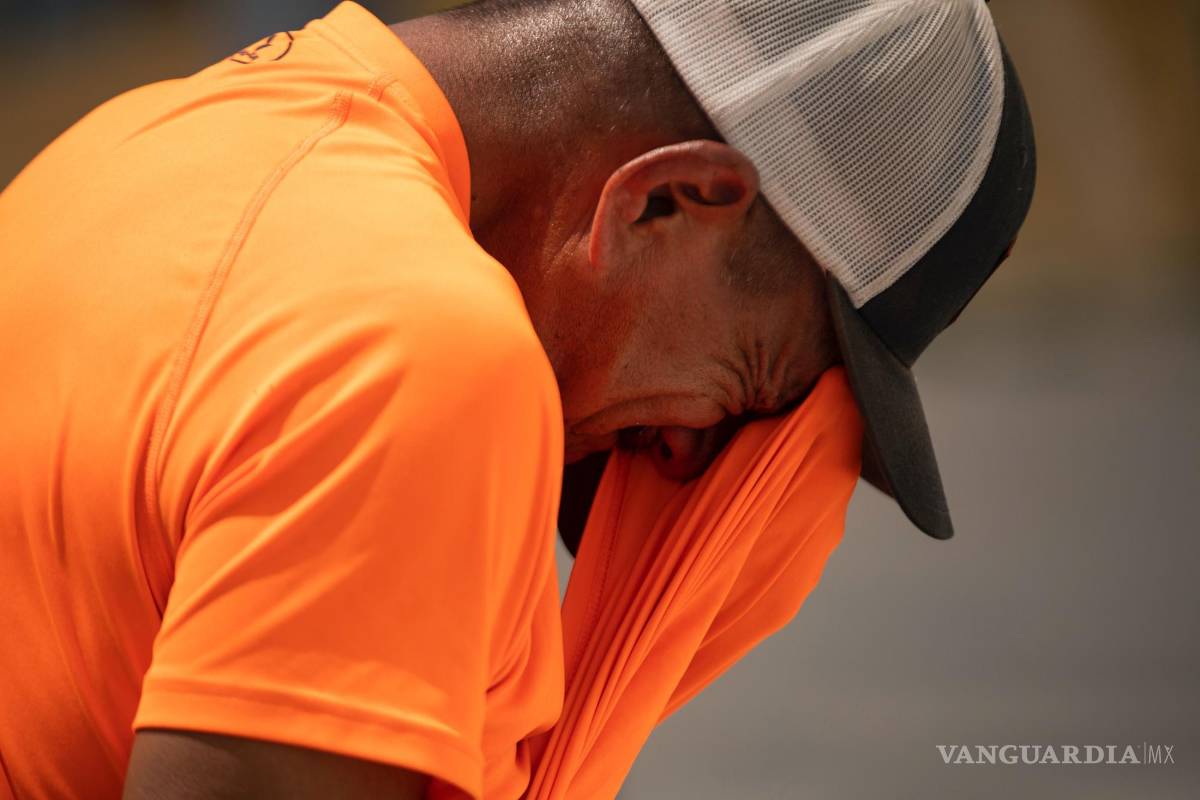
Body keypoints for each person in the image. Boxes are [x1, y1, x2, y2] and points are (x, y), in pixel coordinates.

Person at [0, 0, 1034, 797]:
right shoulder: (421, 355)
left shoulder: (163, 128)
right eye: (756, 376)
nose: (692, 454)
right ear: (665, 201)